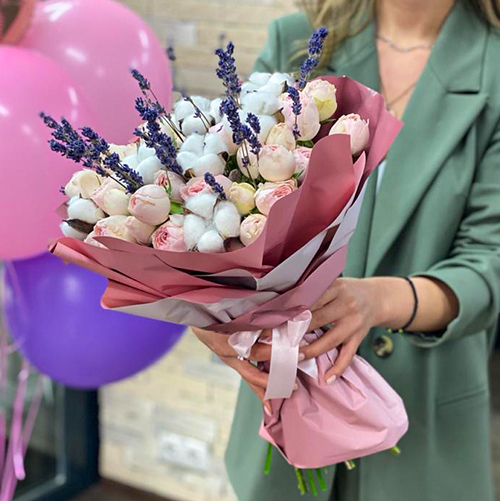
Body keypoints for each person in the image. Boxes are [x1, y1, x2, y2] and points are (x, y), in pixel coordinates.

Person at [193, 0, 500, 499]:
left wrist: (377, 300)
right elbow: (228, 195)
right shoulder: (297, 41)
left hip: (424, 424)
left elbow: (490, 262)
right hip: (285, 412)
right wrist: (207, 312)